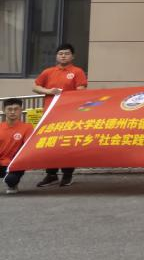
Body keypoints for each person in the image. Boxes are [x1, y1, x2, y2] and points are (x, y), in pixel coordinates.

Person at [32, 43, 86, 188]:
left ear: (72, 56)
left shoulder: (77, 71)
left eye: (67, 53)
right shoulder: (48, 71)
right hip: (50, 114)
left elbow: (81, 91)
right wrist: (49, 91)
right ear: (56, 56)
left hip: (69, 115)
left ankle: (67, 175)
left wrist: (65, 96)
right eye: (60, 53)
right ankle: (51, 175)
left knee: (67, 144)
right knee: (50, 144)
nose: (63, 56)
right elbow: (35, 86)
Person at [1, 98, 34, 193]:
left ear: (21, 110)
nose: (12, 112)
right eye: (9, 109)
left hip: (16, 164)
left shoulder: (27, 127)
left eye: (16, 109)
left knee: (11, 180)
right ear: (4, 110)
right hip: (1, 162)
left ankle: (13, 184)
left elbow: (28, 148)